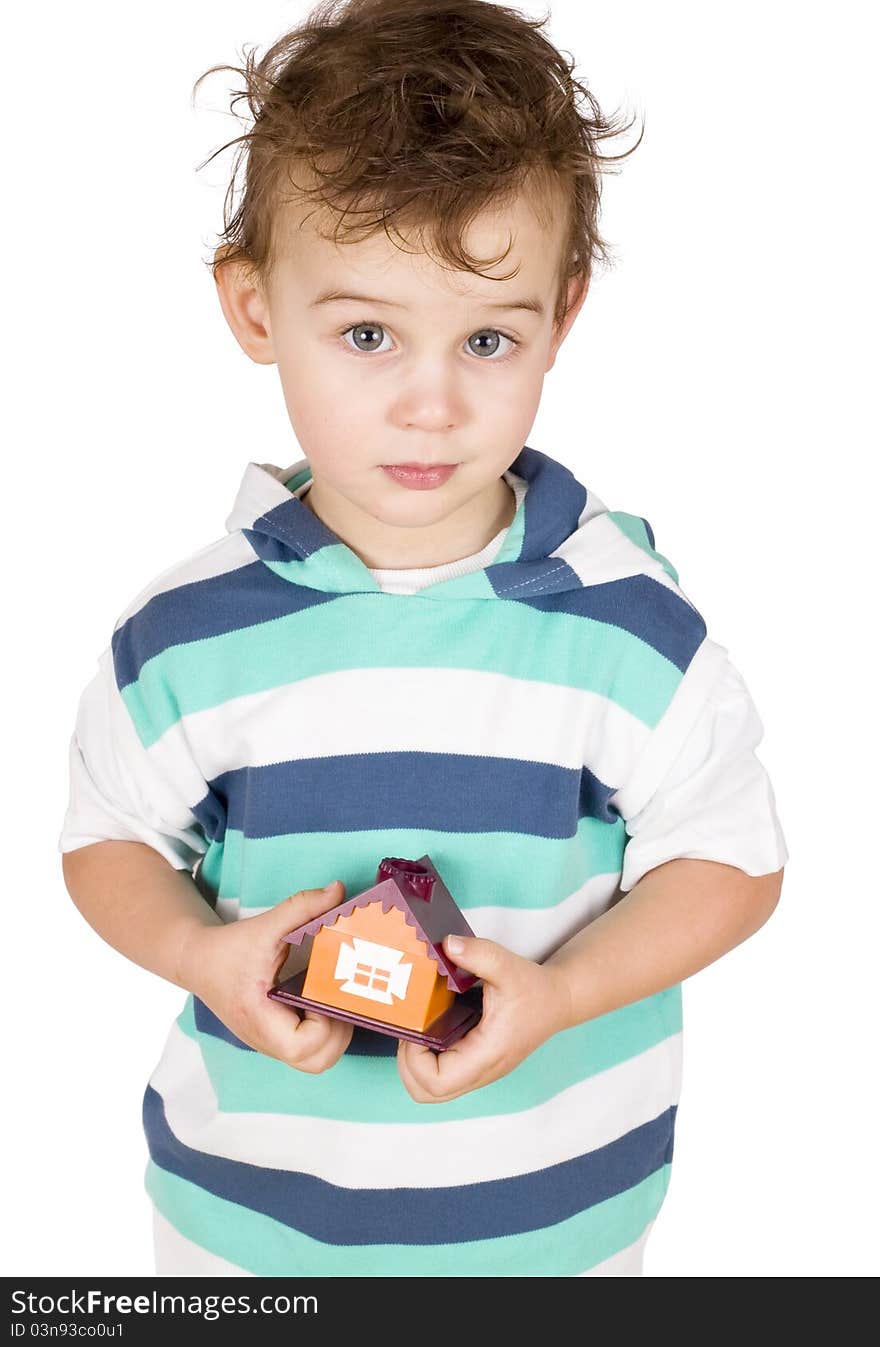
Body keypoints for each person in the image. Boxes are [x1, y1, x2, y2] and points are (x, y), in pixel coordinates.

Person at [58, 0, 788, 1277]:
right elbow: (110, 842)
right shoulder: (181, 637)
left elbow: (730, 866)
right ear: (252, 309)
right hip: (243, 1229)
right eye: (365, 334)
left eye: (489, 337)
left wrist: (558, 994)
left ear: (562, 317)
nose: (431, 401)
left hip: (551, 1232)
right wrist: (198, 954)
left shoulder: (629, 629)